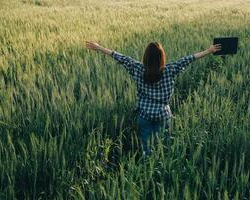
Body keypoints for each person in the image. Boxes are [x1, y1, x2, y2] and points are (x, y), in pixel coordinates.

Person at [86, 41, 221, 156]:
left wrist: (99, 47)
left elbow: (119, 57)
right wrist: (209, 50)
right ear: (162, 58)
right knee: (163, 147)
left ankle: (147, 167)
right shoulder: (170, 70)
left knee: (146, 149)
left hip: (144, 115)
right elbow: (189, 58)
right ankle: (160, 169)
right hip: (163, 115)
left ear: (145, 57)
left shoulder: (137, 68)